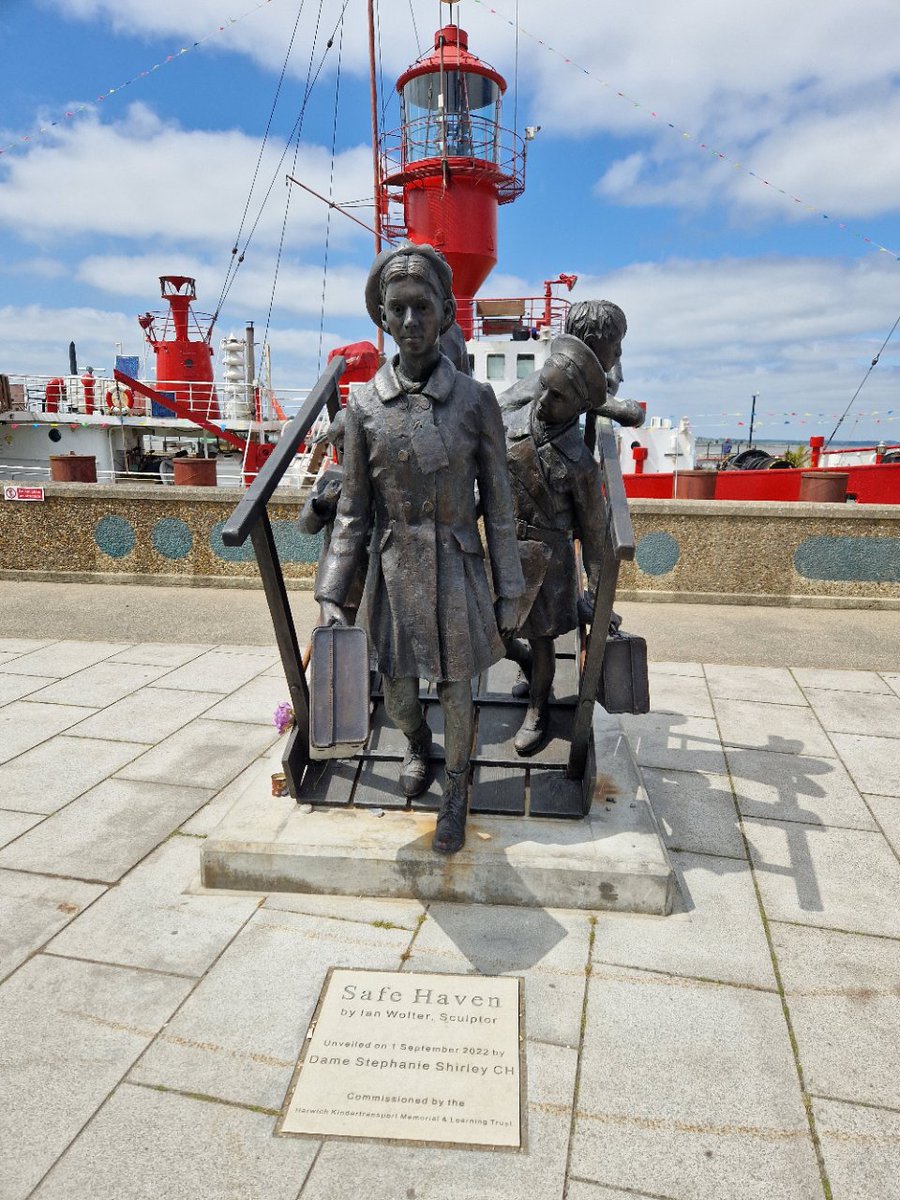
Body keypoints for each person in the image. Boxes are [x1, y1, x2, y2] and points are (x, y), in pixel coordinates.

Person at [316, 243, 524, 855]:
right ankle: (416, 742)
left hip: (457, 565)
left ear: (445, 313)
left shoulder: (476, 400)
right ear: (382, 317)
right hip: (395, 566)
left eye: (423, 308)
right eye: (398, 310)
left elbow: (502, 504)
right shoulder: (361, 407)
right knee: (401, 692)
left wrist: (509, 585)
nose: (410, 323)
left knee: (459, 687)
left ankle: (456, 792)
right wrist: (333, 593)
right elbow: (353, 510)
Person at [502, 334, 608, 755]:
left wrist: (599, 599)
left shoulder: (582, 466)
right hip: (507, 547)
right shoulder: (511, 423)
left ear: (579, 407)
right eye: (542, 385)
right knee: (493, 629)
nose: (544, 399)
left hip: (550, 562)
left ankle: (538, 709)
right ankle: (525, 664)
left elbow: (596, 538)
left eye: (558, 396)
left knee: (544, 640)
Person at [500, 298, 644, 429]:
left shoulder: (562, 371)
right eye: (616, 344)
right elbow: (626, 413)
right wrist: (624, 409)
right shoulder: (565, 376)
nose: (619, 352)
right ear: (591, 344)